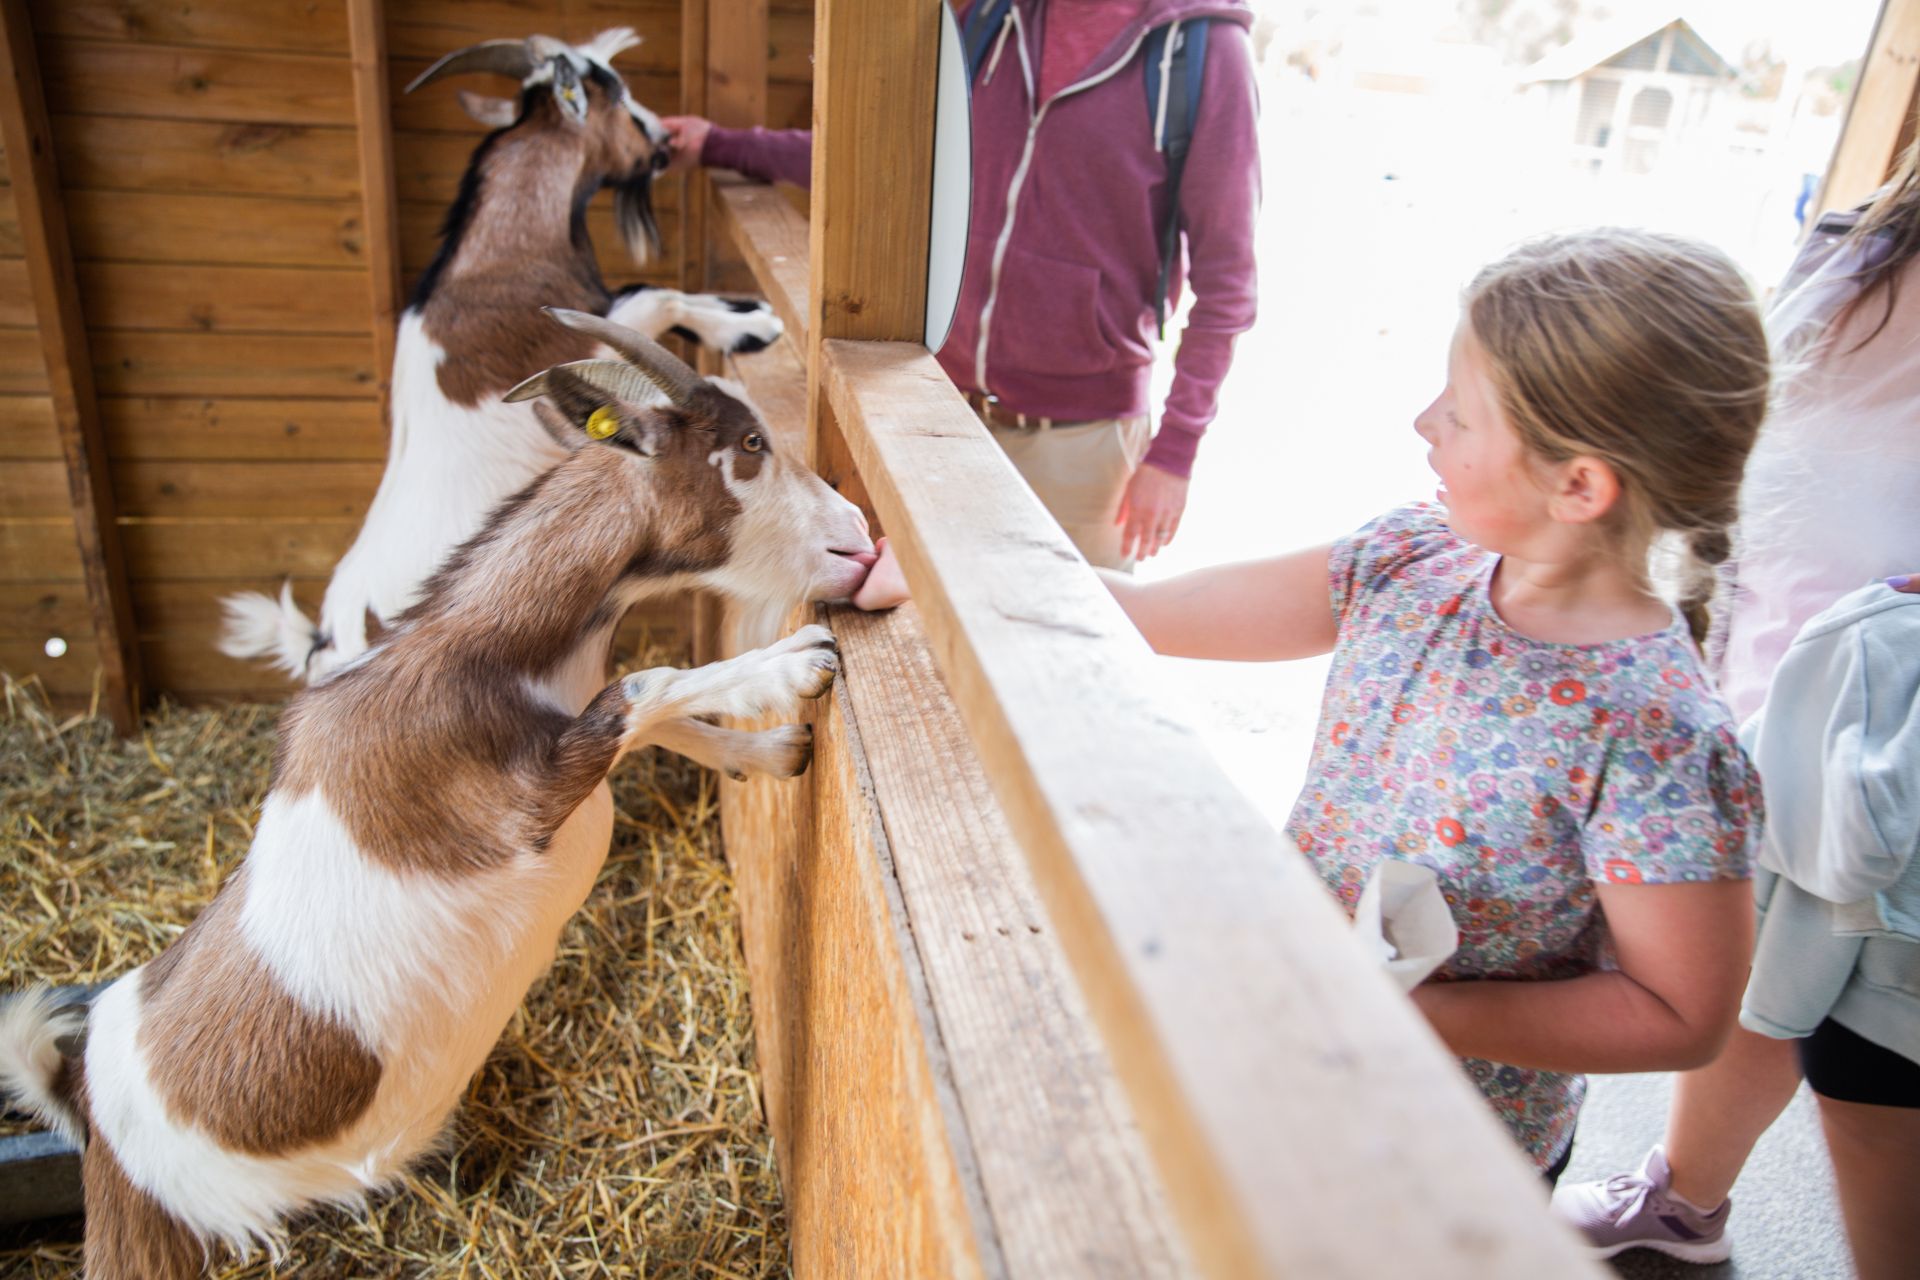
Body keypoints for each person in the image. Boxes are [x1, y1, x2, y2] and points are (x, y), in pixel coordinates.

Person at [1099, 228, 1771, 1182]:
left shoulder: (1655, 734)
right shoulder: (1414, 560)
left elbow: (1682, 1016)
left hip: (1448, 1154)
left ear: (1578, 484)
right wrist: (966, 575)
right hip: (1293, 1063)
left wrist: (1421, 1015)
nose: (1424, 423)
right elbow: (1154, 613)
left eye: (1459, 413)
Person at [1551, 163, 1920, 1277]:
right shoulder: (1862, 242)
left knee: (1868, 1057)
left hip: (1887, 738)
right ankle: (1684, 1197)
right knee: (1771, 958)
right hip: (1778, 683)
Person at [662, 0, 1262, 572]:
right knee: (917, 655)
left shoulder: (1201, 52)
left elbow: (1228, 287)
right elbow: (876, 159)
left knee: (1063, 665)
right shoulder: (986, 19)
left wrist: (1176, 452)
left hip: (1084, 447)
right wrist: (721, 144)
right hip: (940, 415)